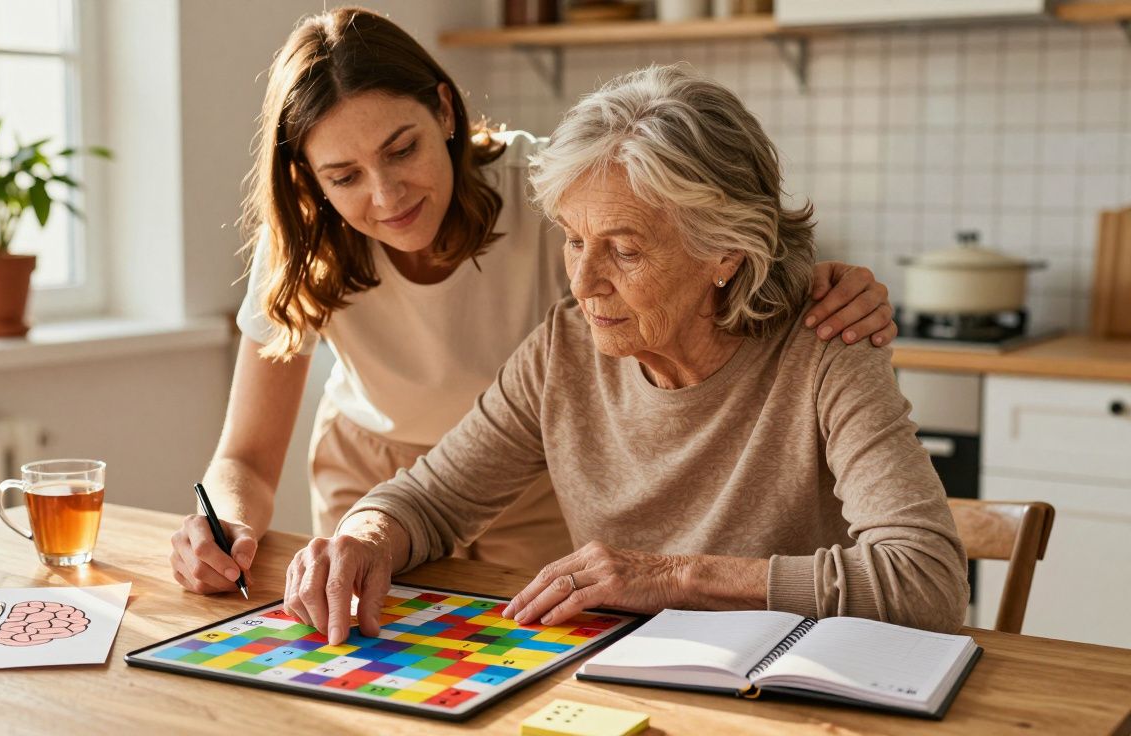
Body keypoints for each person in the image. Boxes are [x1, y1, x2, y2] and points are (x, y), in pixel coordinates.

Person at [169, 8, 900, 595]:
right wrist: (231, 527)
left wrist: (815, 281)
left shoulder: (553, 186)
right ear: (311, 181)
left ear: (445, 112)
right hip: (396, 463)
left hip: (536, 464)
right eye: (344, 175)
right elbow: (259, 459)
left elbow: (700, 225)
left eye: (401, 150)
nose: (385, 197)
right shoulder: (309, 242)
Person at [283, 65, 969, 646]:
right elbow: (432, 498)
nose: (583, 284)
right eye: (575, 240)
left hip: (785, 690)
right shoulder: (566, 348)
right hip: (626, 681)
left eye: (626, 249)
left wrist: (672, 578)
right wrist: (367, 537)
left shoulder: (825, 351)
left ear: (725, 251)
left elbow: (927, 580)